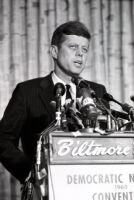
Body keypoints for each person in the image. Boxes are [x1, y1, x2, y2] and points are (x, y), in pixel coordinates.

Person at [0, 21, 108, 197]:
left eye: (85, 49)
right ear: (54, 51)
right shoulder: (28, 91)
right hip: (44, 191)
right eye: (73, 47)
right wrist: (30, 172)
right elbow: (3, 139)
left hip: (91, 188)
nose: (80, 54)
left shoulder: (98, 91)